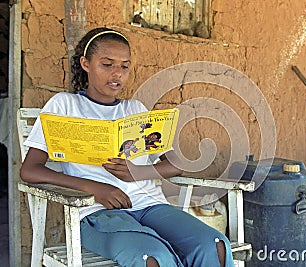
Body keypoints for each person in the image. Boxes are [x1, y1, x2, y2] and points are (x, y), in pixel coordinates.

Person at [20, 27, 234, 267]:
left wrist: (138, 172)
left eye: (124, 66)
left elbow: (177, 164)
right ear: (86, 63)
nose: (116, 74)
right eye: (107, 64)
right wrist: (94, 188)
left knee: (214, 245)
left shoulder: (136, 110)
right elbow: (30, 170)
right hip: (97, 213)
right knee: (153, 257)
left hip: (150, 206)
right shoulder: (64, 106)